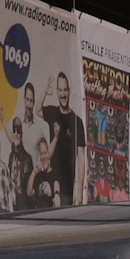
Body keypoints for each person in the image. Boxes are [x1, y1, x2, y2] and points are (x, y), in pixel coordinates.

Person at [42, 71, 85, 205]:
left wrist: (79, 191)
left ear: (69, 91)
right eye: (60, 90)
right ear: (56, 92)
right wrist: (45, 92)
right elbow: (37, 110)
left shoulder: (76, 122)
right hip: (50, 185)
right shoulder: (52, 112)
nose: (63, 94)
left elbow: (81, 157)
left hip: (67, 189)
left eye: (65, 90)